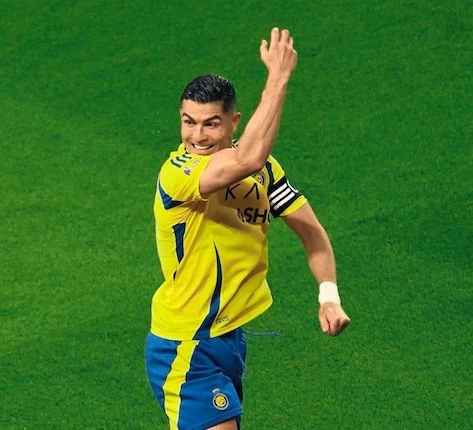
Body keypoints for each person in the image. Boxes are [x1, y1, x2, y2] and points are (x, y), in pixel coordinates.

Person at [144, 28, 351, 430]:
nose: (197, 136)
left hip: (228, 337)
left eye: (211, 124)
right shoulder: (179, 173)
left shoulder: (266, 173)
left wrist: (329, 296)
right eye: (188, 122)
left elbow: (312, 233)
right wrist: (278, 78)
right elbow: (248, 158)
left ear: (234, 122)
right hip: (185, 341)